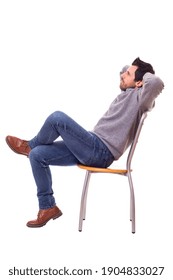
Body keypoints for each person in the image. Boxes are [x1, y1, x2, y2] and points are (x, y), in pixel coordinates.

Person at [6, 57, 164, 228]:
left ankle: (29, 145)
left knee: (57, 118)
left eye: (128, 74)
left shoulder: (142, 99)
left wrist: (142, 73)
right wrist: (133, 70)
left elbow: (156, 82)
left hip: (101, 151)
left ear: (140, 82)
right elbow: (125, 70)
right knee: (37, 156)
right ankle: (47, 207)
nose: (123, 75)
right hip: (92, 145)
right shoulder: (128, 91)